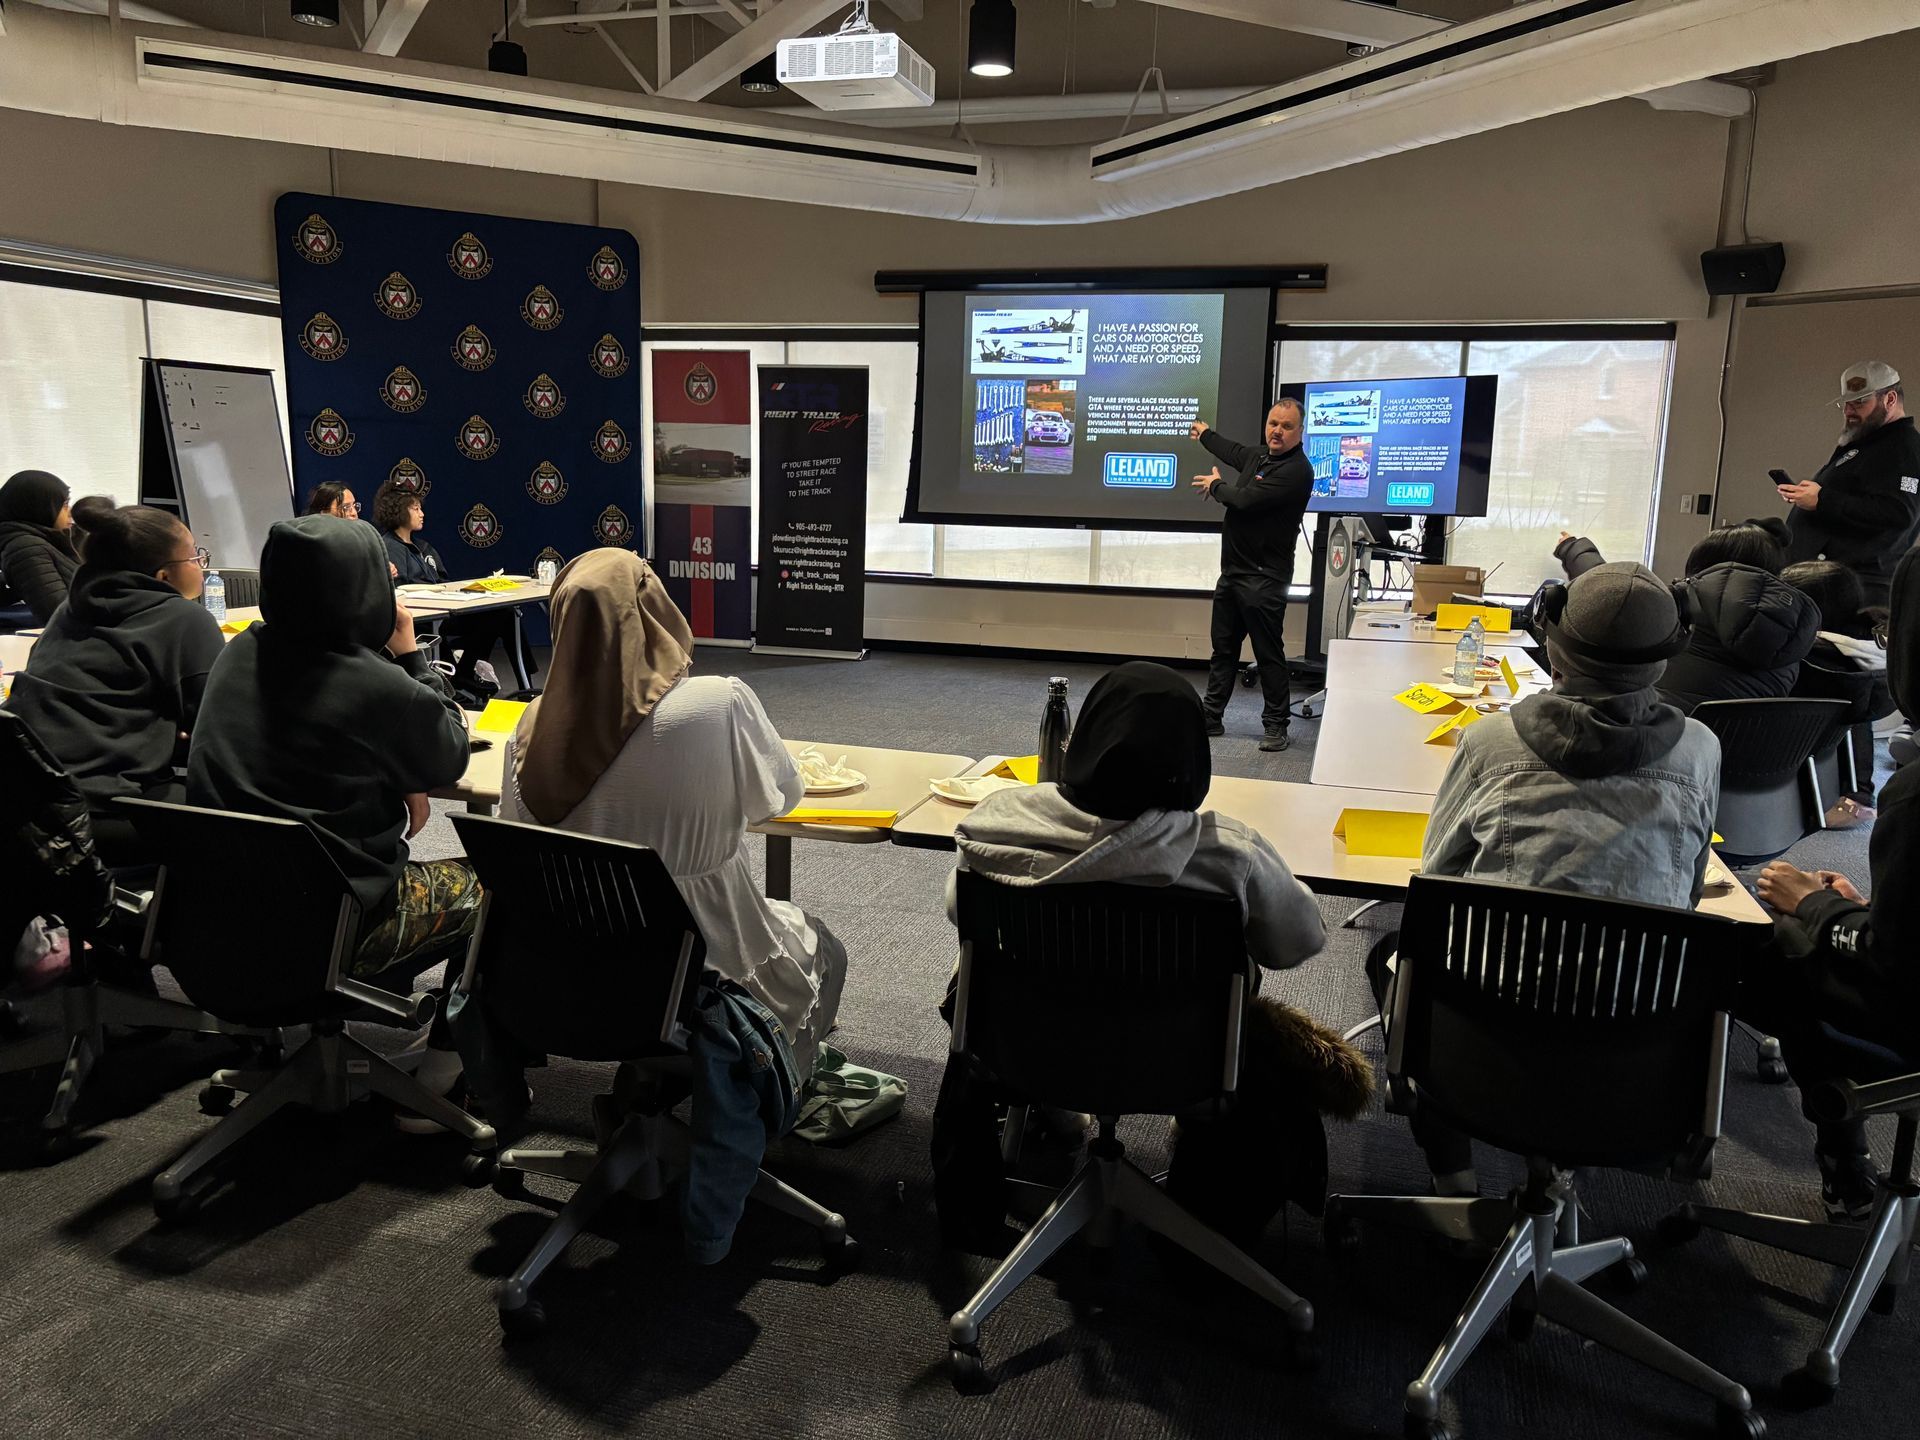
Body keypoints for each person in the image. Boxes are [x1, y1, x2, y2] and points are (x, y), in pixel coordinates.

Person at [933, 662, 1360, 1251]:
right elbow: (1299, 942)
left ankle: (1052, 1121)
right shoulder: (1226, 854)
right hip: (1183, 1065)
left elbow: (962, 914)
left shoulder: (997, 828)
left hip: (1033, 1049)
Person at [1402, 561, 1720, 1195]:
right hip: (1636, 1036)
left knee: (1389, 956)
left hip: (1491, 1029)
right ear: (1669, 656)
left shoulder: (1489, 740)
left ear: (1551, 640)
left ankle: (1456, 1187)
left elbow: (1435, 879)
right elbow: (1685, 896)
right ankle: (1562, 1164)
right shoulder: (1702, 749)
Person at [500, 550, 846, 1074]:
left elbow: (513, 838)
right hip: (709, 974)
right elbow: (780, 799)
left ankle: (647, 1095)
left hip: (565, 977)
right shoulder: (719, 703)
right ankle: (768, 1102)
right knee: (827, 948)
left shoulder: (529, 729)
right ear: (654, 611)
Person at [187, 516, 477, 1112]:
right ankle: (449, 1063)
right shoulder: (373, 683)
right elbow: (448, 750)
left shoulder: (240, 652)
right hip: (329, 936)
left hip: (210, 928)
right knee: (491, 885)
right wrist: (410, 655)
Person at [1750, 545, 1920, 1218]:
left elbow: (1894, 967)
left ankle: (1842, 1154)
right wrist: (1873, 911)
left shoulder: (1914, 797)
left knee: (1770, 947)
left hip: (1907, 1020)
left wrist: (1819, 908)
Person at [4, 503, 222, 864]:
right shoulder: (186, 620)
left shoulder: (68, 610)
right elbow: (215, 731)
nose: (201, 564)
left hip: (26, 801)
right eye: (195, 557)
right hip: (103, 812)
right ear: (164, 576)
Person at [1554, 518, 1818, 712]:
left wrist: (1573, 549)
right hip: (1747, 778)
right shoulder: (1793, 637)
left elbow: (1614, 597)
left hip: (1656, 759)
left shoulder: (1680, 617)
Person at [1189, 401, 1313, 752]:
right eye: (1273, 423)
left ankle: (1276, 726)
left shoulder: (1296, 471)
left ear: (1299, 432)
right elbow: (1234, 451)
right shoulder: (1259, 457)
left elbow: (1243, 500)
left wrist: (1215, 486)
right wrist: (1205, 435)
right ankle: (1211, 717)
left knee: (1268, 653)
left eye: (1286, 426)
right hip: (1232, 573)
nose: (1277, 431)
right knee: (1223, 650)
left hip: (1265, 579)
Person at [1779, 361, 1920, 608]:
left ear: (1889, 399)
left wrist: (1823, 501)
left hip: (1855, 590)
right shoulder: (1866, 443)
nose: (1848, 411)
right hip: (1828, 585)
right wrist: (1809, 496)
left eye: (1860, 402)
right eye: (1845, 403)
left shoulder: (1903, 448)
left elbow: (1900, 513)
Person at [369, 478, 518, 701]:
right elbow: (400, 590)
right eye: (415, 508)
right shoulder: (388, 547)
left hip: (447, 610)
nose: (422, 514)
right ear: (399, 512)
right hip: (422, 618)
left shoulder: (424, 547)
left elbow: (443, 582)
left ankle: (465, 673)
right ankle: (461, 676)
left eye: (421, 508)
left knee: (503, 612)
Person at [1784, 558, 1891, 826]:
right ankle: (1860, 795)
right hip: (1854, 742)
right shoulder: (1868, 640)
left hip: (1803, 742)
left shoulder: (1814, 651)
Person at [0, 470, 80, 625]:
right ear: (40, 507)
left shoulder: (52, 540)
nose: (70, 512)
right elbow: (58, 615)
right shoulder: (26, 548)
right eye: (64, 505)